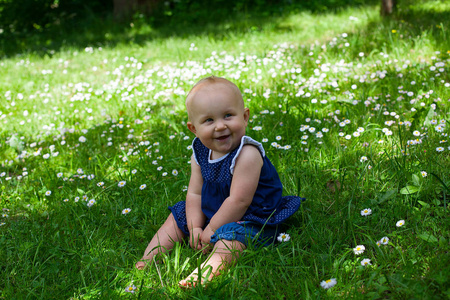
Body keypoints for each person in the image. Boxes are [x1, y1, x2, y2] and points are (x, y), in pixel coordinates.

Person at [135, 76, 303, 287]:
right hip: (214, 210)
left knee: (231, 239)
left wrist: (212, 230)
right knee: (178, 215)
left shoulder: (247, 154)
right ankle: (147, 260)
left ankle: (202, 275)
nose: (220, 126)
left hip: (253, 216)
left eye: (228, 116)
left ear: (245, 117)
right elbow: (195, 193)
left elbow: (238, 201)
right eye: (209, 120)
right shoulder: (200, 153)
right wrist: (196, 228)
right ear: (193, 129)